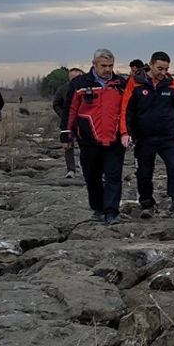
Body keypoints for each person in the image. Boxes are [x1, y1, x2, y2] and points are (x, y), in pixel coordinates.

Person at [121, 51, 174, 217]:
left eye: (166, 69)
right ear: (150, 65)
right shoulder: (135, 82)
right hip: (144, 137)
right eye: (159, 68)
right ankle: (146, 203)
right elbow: (126, 109)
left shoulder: (171, 84)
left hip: (167, 136)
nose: (163, 72)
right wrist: (125, 132)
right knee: (144, 171)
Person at [67, 49, 128, 224]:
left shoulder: (120, 84)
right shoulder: (79, 83)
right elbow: (70, 109)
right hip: (88, 139)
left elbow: (128, 111)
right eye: (103, 66)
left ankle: (112, 212)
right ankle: (98, 208)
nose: (107, 69)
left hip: (115, 139)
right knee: (92, 175)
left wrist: (128, 132)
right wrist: (67, 131)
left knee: (113, 176)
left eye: (110, 66)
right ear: (94, 64)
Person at [52, 67, 83, 178]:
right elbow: (56, 104)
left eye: (77, 77)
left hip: (84, 122)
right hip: (67, 123)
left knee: (87, 146)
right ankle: (71, 170)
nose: (75, 80)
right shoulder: (63, 89)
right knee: (68, 146)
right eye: (72, 77)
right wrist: (63, 114)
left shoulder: (86, 87)